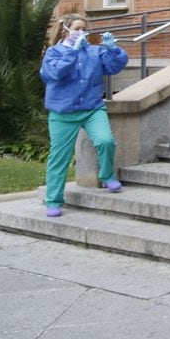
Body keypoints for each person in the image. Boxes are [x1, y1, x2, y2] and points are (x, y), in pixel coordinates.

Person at [39, 14, 128, 218]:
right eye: (77, 28)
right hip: (62, 113)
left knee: (105, 141)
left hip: (92, 108)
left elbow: (114, 67)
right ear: (66, 30)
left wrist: (113, 49)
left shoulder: (93, 52)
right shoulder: (53, 53)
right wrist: (73, 53)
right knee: (59, 158)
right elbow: (54, 74)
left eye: (84, 28)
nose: (82, 32)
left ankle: (106, 175)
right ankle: (53, 200)